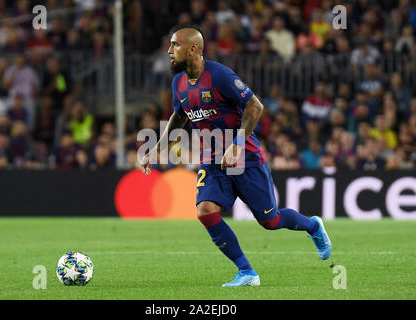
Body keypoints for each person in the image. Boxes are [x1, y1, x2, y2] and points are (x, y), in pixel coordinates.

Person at [140, 25, 331, 287]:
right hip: (212, 160)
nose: (169, 50)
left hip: (246, 158)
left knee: (270, 220)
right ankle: (246, 272)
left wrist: (238, 144)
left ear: (193, 49)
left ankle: (312, 227)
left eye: (175, 44)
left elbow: (255, 105)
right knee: (205, 210)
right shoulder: (178, 82)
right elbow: (180, 114)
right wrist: (158, 147)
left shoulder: (219, 76)